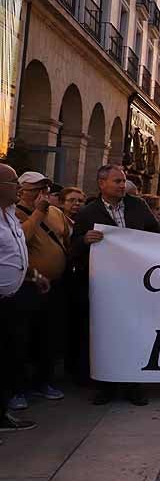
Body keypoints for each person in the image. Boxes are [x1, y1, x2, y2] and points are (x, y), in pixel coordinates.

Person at [71, 165, 160, 406]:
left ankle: (134, 385)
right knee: (106, 335)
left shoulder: (138, 206)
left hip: (136, 283)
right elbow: (73, 246)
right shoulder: (89, 212)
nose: (122, 185)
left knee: (134, 332)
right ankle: (106, 386)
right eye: (117, 181)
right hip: (105, 286)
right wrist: (84, 240)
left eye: (123, 181)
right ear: (101, 184)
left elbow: (157, 235)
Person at [11, 171, 70, 408]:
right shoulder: (14, 213)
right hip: (27, 285)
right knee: (23, 337)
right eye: (35, 188)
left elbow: (65, 237)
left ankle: (43, 381)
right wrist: (37, 212)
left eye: (44, 188)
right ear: (21, 190)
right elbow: (21, 238)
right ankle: (18, 387)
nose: (40, 193)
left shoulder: (55, 212)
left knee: (49, 335)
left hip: (54, 285)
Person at [0, 163, 43, 432]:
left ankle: (2, 412)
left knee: (8, 357)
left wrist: (32, 275)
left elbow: (13, 252)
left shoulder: (10, 215)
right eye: (13, 182)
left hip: (12, 299)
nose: (18, 188)